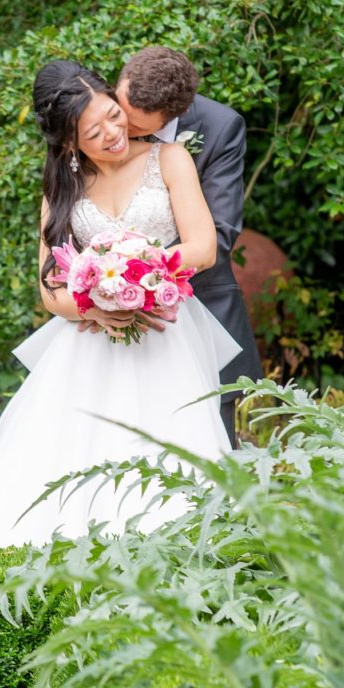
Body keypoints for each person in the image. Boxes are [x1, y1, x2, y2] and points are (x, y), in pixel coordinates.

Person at [0, 60, 242, 560]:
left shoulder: (171, 158)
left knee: (173, 460)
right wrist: (94, 304)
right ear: (70, 143)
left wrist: (135, 274)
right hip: (89, 343)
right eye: (95, 132)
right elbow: (50, 289)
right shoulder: (61, 187)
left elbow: (202, 247)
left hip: (165, 335)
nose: (114, 133)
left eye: (114, 116)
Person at [116, 46, 262, 446]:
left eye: (132, 124)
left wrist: (132, 272)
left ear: (172, 116)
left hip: (198, 315)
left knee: (209, 458)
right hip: (109, 325)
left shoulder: (220, 128)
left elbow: (220, 231)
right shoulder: (99, 112)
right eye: (118, 106)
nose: (118, 129)